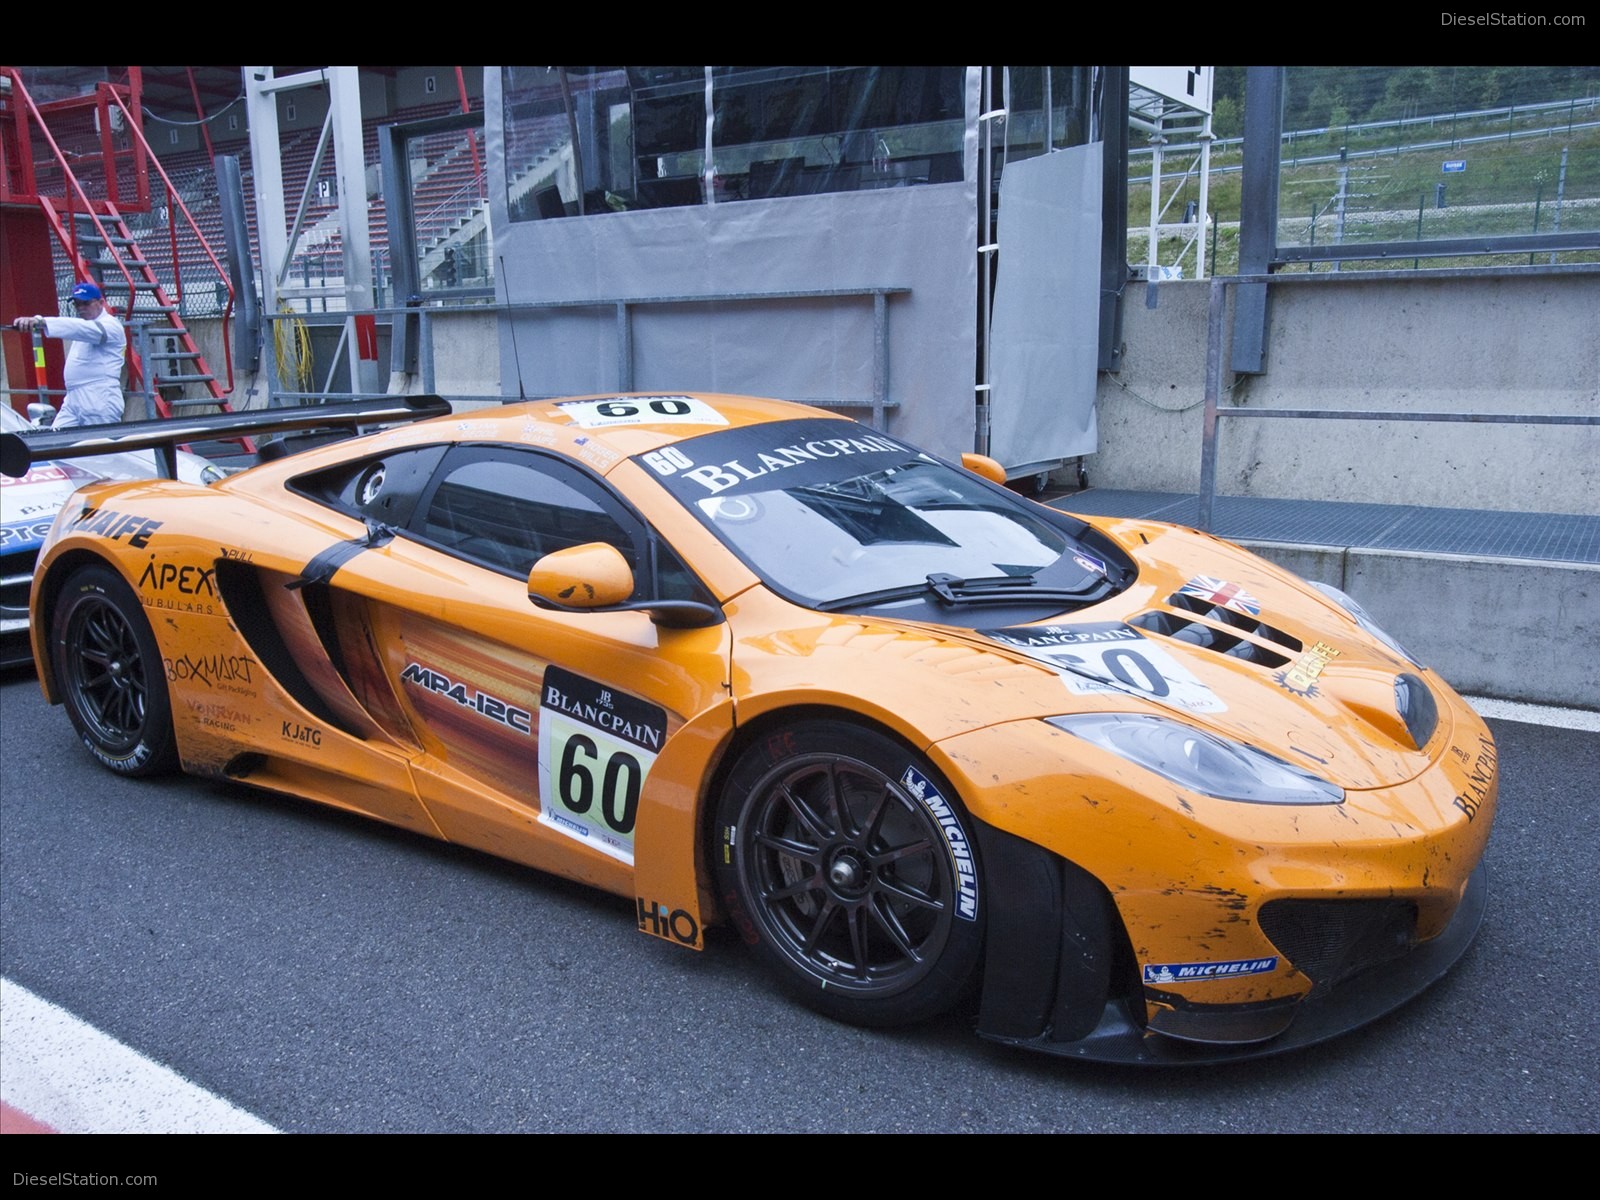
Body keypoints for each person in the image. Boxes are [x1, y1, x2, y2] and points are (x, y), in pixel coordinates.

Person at [10, 281, 126, 428]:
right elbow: (78, 328)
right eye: (77, 304)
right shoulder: (87, 326)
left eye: (86, 303)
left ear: (101, 302)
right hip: (74, 397)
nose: (81, 308)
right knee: (56, 442)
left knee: (102, 447)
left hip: (99, 395)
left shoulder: (110, 326)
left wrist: (42, 322)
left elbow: (78, 328)